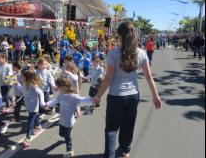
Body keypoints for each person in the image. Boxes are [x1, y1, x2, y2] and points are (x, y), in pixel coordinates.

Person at [93, 22, 162, 158]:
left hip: (116, 96)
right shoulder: (141, 53)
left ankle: (110, 155)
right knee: (128, 125)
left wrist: (98, 96)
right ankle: (125, 151)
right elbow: (149, 78)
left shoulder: (113, 53)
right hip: (133, 96)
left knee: (112, 128)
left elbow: (108, 79)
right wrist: (156, 96)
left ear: (120, 35)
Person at [47, 77, 93, 158]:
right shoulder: (61, 95)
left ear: (63, 88)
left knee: (67, 138)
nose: (56, 88)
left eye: (57, 87)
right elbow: (54, 101)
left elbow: (84, 99)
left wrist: (94, 99)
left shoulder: (73, 96)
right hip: (62, 120)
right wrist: (47, 104)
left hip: (69, 121)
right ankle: (65, 138)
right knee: (61, 134)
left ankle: (70, 150)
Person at [17, 70, 46, 146]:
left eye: (22, 76)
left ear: (27, 77)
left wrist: (42, 102)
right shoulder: (25, 83)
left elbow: (41, 93)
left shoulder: (33, 85)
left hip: (34, 105)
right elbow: (23, 90)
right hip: (28, 104)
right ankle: (39, 126)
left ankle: (28, 138)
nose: (21, 77)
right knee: (34, 116)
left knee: (30, 120)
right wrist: (16, 84)